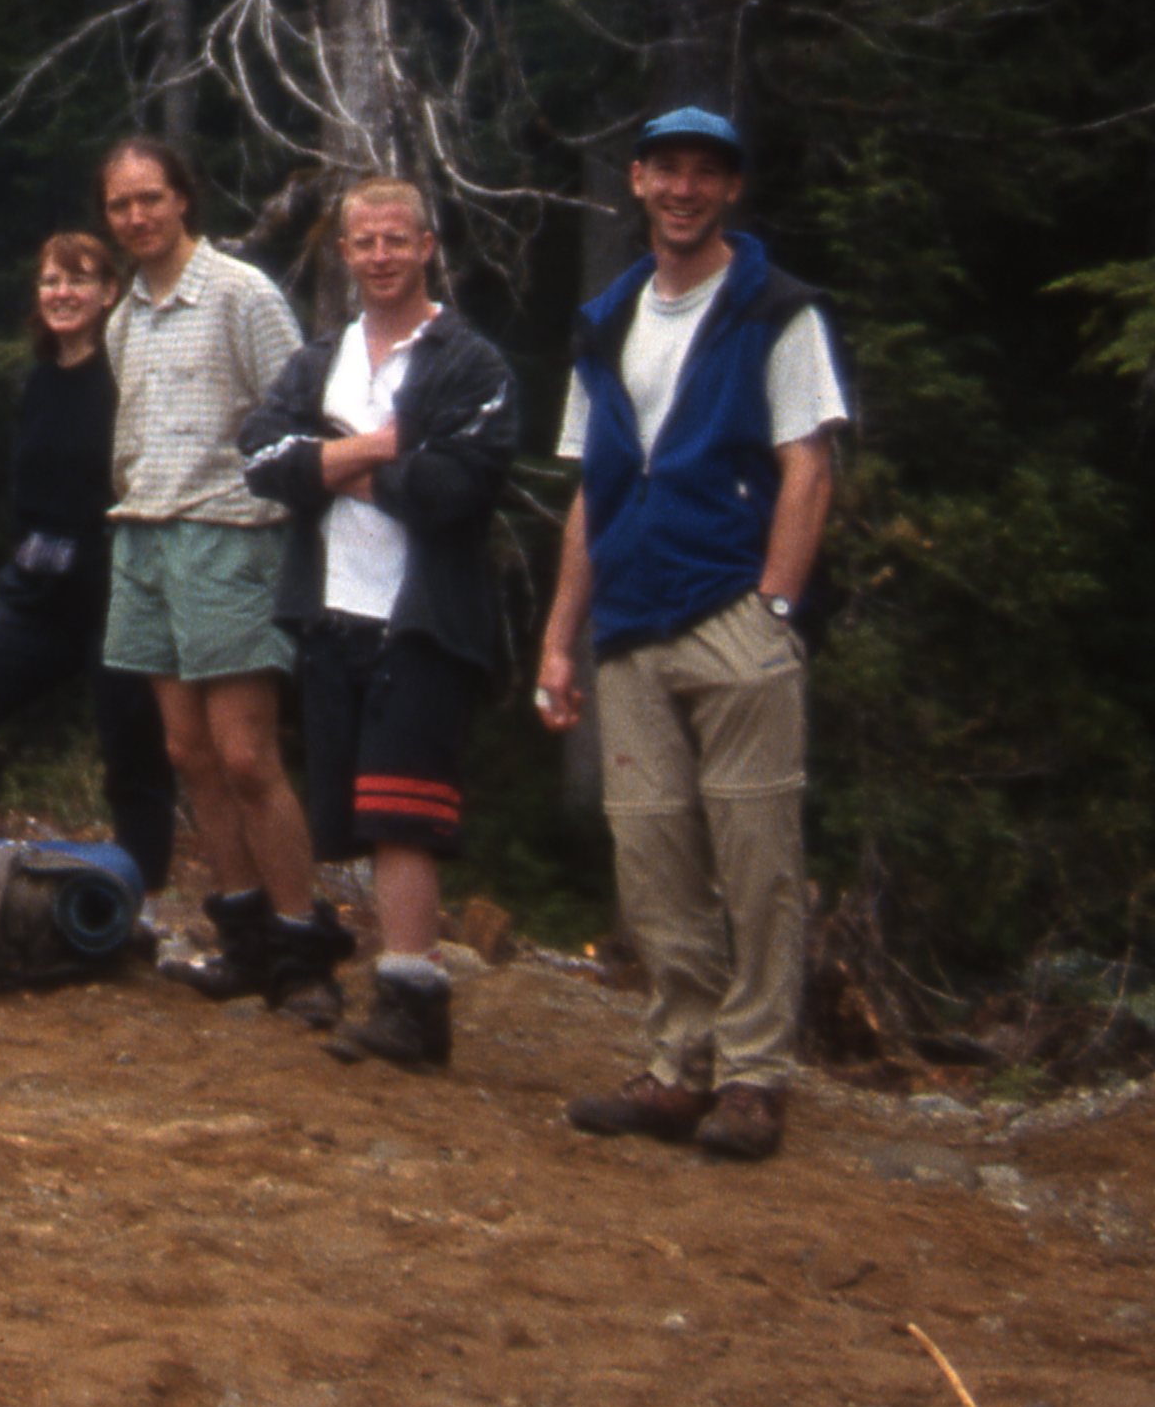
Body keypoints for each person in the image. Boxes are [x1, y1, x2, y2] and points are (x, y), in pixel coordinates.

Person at [540, 105, 848, 1165]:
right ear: (634, 180)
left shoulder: (774, 306)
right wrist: (555, 640)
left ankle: (756, 1075)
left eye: (703, 173)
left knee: (756, 851)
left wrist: (773, 602)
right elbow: (593, 488)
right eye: (665, 169)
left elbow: (807, 462)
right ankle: (679, 1063)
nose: (682, 188)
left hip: (730, 612)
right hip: (628, 623)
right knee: (653, 850)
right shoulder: (605, 319)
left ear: (731, 190)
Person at [234, 176, 521, 1075]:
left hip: (424, 621)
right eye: (366, 242)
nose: (383, 256)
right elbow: (261, 455)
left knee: (407, 816)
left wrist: (330, 462)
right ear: (345, 253)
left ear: (428, 245)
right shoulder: (324, 356)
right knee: (358, 816)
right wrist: (383, 447)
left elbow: (454, 490)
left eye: (399, 239)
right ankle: (397, 987)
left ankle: (413, 1003)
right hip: (331, 615)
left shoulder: (472, 364)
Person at [99, 135, 349, 1013]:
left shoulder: (241, 293)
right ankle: (241, 936)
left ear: (183, 199)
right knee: (188, 754)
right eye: (120, 204)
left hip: (231, 534)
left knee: (247, 756)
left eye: (150, 198)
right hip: (146, 537)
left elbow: (298, 413)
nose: (136, 216)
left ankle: (303, 946)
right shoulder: (123, 316)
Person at [0, 233, 179, 887]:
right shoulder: (41, 379)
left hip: (119, 594)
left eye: (79, 280)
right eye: (52, 280)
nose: (62, 293)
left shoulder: (129, 375)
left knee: (131, 744)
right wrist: (25, 565)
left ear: (110, 293)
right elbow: (27, 500)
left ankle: (141, 894)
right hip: (39, 597)